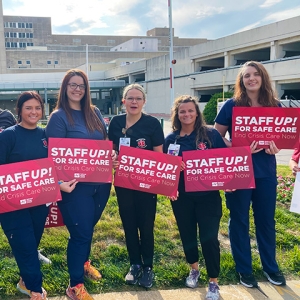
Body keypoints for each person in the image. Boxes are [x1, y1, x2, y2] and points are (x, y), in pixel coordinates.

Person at [214, 61, 286, 288]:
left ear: (263, 78)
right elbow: (216, 137)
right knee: (239, 221)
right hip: (237, 171)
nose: (251, 78)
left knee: (266, 221)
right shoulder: (231, 105)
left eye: (256, 74)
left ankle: (270, 267)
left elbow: (282, 139)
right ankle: (244, 270)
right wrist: (237, 146)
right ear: (241, 80)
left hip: (265, 172)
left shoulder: (276, 106)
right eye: (247, 75)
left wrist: (277, 147)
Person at [0, 91, 77, 300]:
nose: (33, 112)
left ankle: (24, 282)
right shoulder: (8, 136)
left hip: (39, 202)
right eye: (28, 108)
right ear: (19, 110)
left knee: (31, 243)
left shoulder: (45, 136)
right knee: (24, 244)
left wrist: (60, 184)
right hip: (12, 205)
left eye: (37, 108)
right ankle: (35, 289)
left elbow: (53, 168)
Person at [46, 69, 112, 300]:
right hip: (75, 187)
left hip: (100, 183)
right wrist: (59, 183)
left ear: (86, 89)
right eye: (72, 85)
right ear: (65, 88)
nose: (77, 89)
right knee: (80, 233)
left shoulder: (94, 111)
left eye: (81, 85)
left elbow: (104, 142)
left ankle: (84, 262)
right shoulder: (59, 117)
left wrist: (110, 156)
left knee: (88, 228)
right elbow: (51, 155)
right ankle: (75, 285)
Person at [164, 95, 226, 300]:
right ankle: (194, 269)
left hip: (208, 198)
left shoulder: (211, 135)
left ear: (197, 113)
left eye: (191, 111)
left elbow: (225, 162)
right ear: (177, 114)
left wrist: (230, 183)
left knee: (209, 239)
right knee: (187, 235)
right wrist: (171, 185)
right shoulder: (171, 140)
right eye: (182, 111)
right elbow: (164, 171)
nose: (187, 114)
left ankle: (214, 282)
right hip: (182, 198)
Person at [108, 83, 164, 288]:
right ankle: (135, 264)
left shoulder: (152, 124)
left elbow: (160, 157)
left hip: (147, 184)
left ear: (144, 102)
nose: (134, 102)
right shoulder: (115, 123)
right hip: (124, 183)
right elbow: (110, 149)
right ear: (123, 101)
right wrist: (113, 157)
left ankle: (148, 267)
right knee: (129, 224)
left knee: (146, 225)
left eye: (138, 98)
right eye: (130, 98)